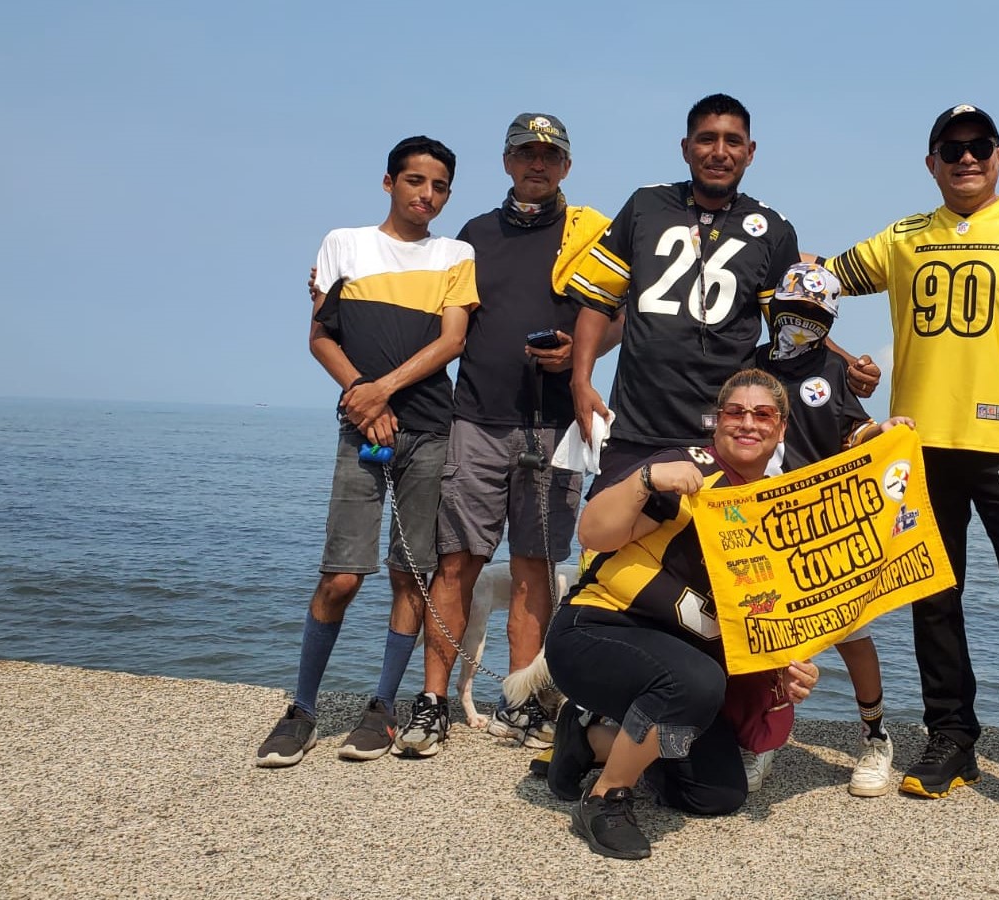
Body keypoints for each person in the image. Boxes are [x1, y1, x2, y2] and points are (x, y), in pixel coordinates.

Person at [821, 104, 999, 827]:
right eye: (951, 148)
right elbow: (812, 285)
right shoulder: (904, 236)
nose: (965, 159)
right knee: (932, 595)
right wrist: (843, 361)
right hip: (921, 444)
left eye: (978, 147)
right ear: (931, 161)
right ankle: (952, 737)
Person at [394, 113, 613, 758]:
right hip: (476, 419)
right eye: (526, 154)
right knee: (456, 561)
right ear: (507, 161)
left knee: (534, 567)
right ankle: (431, 702)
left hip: (556, 427)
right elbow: (432, 311)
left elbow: (617, 318)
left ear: (566, 166)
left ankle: (520, 703)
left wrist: (578, 353)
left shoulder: (593, 236)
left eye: (549, 156)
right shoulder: (473, 236)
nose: (537, 165)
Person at [255, 136, 476, 767]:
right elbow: (321, 337)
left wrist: (382, 392)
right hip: (361, 426)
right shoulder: (341, 244)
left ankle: (383, 705)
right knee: (343, 575)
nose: (424, 195)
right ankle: (301, 708)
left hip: (431, 428)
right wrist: (362, 395)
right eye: (413, 181)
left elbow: (453, 340)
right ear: (388, 183)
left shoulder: (455, 254)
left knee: (412, 573)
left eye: (437, 186)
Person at [543, 369, 821, 860]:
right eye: (735, 412)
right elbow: (593, 533)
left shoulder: (771, 506)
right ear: (716, 422)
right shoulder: (688, 470)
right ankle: (607, 798)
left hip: (679, 663)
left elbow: (762, 617)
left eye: (763, 415)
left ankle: (591, 739)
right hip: (599, 631)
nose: (748, 424)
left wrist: (792, 665)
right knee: (696, 682)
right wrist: (644, 480)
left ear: (781, 429)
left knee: (716, 794)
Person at [564, 93, 875, 494]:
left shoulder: (774, 228)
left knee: (714, 554)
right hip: (636, 425)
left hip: (727, 433)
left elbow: (792, 325)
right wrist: (580, 380)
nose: (719, 152)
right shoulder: (644, 205)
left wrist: (847, 364)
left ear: (750, 152)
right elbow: (597, 300)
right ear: (686, 148)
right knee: (609, 542)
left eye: (733, 141)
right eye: (707, 139)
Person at [753, 261, 912, 798]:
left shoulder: (832, 371)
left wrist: (882, 431)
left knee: (853, 634)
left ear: (829, 323)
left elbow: (854, 427)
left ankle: (874, 736)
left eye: (814, 317)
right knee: (771, 637)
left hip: (826, 521)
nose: (800, 325)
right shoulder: (750, 366)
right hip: (764, 521)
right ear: (774, 311)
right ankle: (765, 738)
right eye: (792, 313)